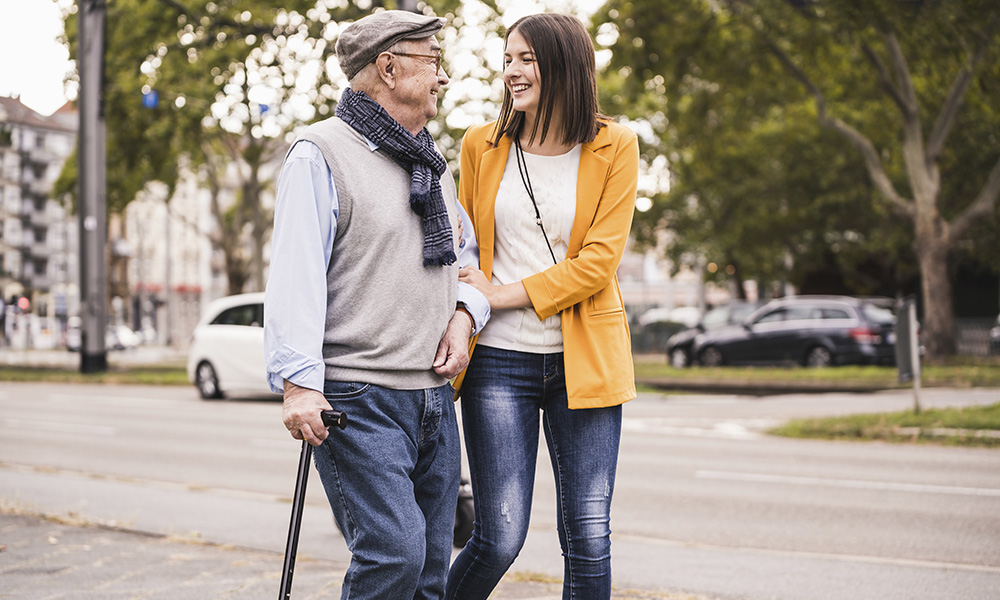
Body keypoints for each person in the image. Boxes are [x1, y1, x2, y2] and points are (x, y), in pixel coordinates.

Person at [263, 10, 489, 600]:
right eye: (432, 60)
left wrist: (465, 318)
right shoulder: (320, 153)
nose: (443, 76)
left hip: (434, 397)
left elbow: (466, 262)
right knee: (395, 555)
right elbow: (295, 274)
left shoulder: (430, 166)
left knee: (431, 576)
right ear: (389, 67)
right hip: (358, 396)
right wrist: (298, 385)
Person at [445, 12, 639, 600]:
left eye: (526, 59)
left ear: (565, 65)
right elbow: (466, 247)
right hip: (499, 361)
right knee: (499, 536)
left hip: (585, 361)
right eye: (507, 59)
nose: (512, 71)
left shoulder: (616, 145)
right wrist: (464, 302)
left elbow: (598, 264)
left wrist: (499, 292)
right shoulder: (481, 144)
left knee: (588, 534)